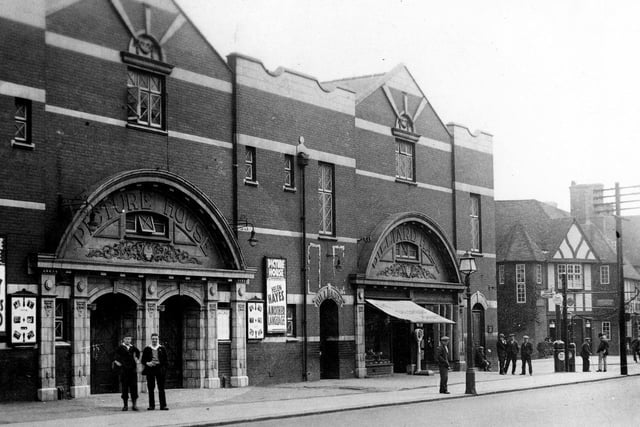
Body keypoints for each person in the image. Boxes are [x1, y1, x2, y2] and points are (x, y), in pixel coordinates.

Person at [141, 332, 169, 411]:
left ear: (158, 339)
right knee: (150, 388)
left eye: (156, 339)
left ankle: (163, 405)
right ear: (151, 339)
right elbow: (143, 360)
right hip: (150, 369)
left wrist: (163, 369)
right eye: (153, 339)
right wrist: (147, 363)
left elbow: (166, 361)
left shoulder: (162, 348)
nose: (154, 340)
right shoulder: (147, 349)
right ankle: (151, 405)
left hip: (159, 369)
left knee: (161, 388)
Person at [113, 333, 140, 411]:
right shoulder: (120, 348)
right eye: (126, 339)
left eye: (129, 339)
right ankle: (125, 405)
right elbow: (115, 355)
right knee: (125, 387)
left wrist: (137, 359)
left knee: (134, 387)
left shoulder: (133, 347)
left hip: (132, 370)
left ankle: (134, 404)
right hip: (124, 370)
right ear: (123, 340)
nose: (128, 340)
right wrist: (116, 361)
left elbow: (138, 353)